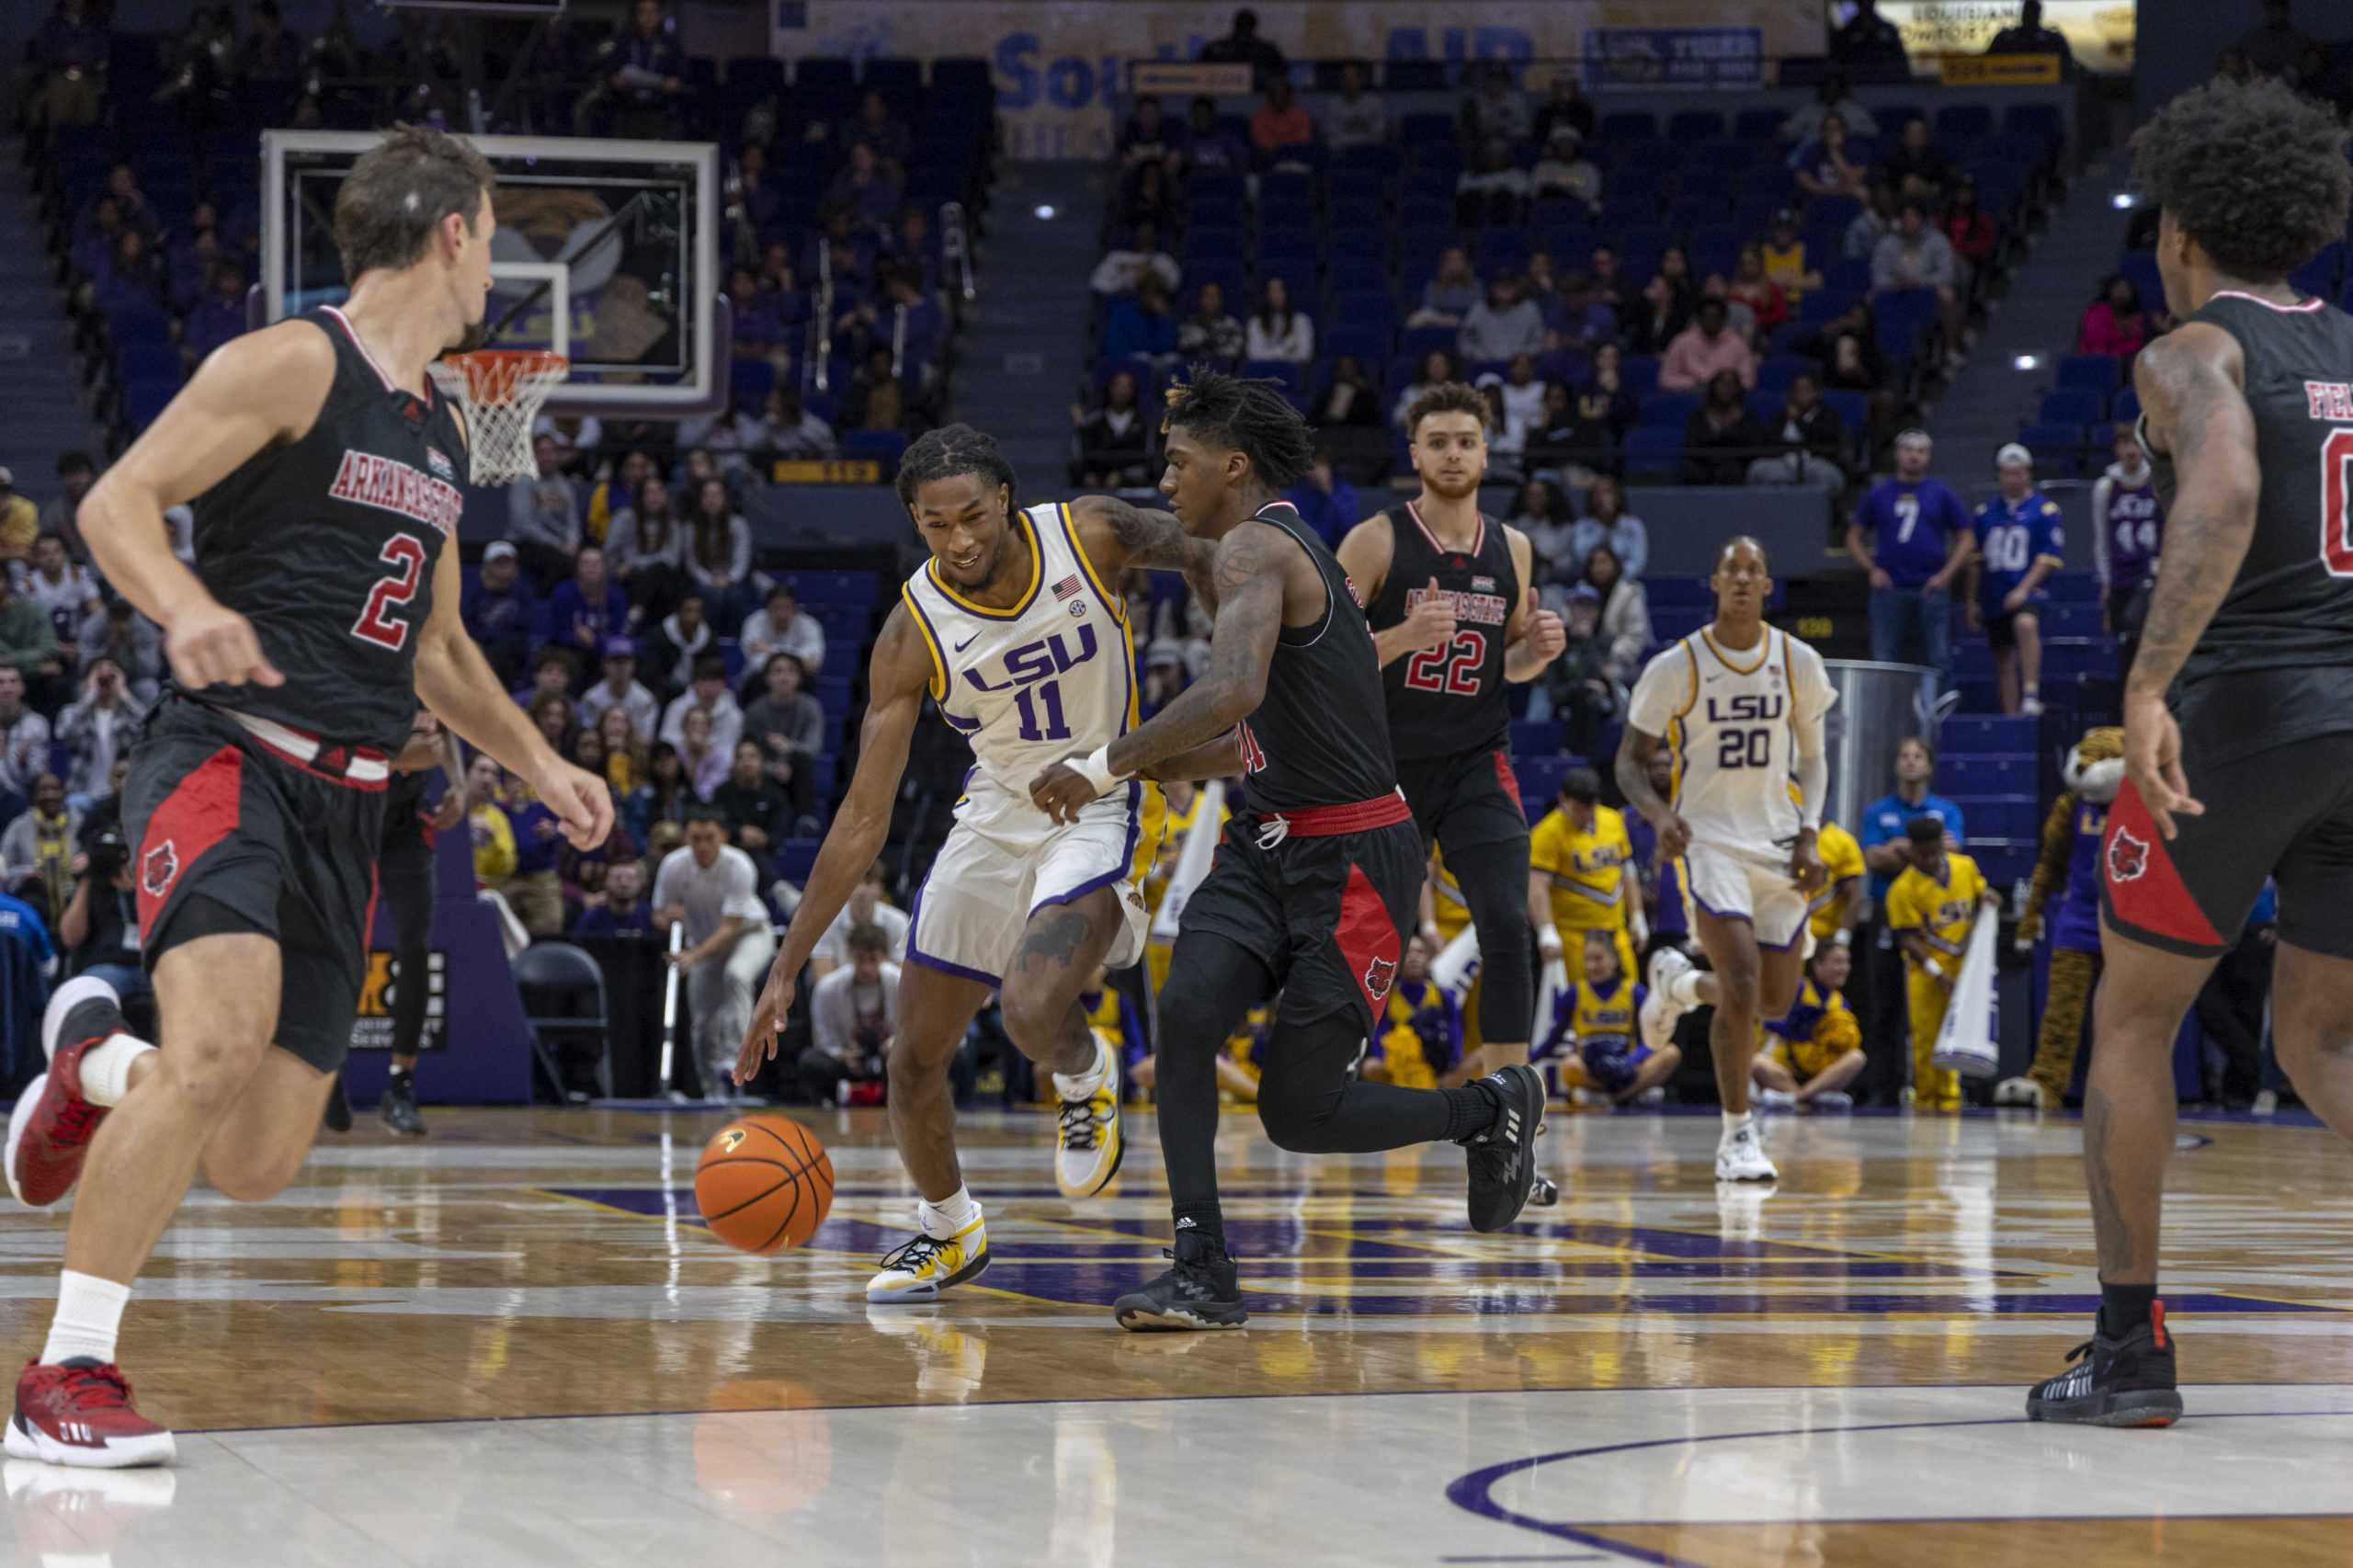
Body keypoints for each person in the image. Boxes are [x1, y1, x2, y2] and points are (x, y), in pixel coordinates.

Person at [1, 126, 612, 1467]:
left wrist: (540, 760)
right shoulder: (292, 361)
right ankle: (66, 1371)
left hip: (355, 802)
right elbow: (118, 501)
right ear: (454, 231)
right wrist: (184, 606)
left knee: (256, 1154)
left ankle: (92, 1067)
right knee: (218, 1044)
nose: (496, 258)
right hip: (226, 752)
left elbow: (440, 650)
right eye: (495, 230)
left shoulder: (447, 420)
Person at [1021, 370, 1547, 1330]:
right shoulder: (1245, 543)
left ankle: (1488, 1108)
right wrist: (1041, 528)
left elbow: (1228, 692)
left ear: (1232, 466)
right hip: (1263, 841)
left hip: (1355, 859)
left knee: (1298, 1112)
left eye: (1179, 461)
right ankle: (1201, 1266)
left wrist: (1103, 761)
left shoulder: (1263, 546)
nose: (1166, 475)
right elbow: (1153, 547)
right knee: (1182, 1017)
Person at [2000, 75, 2353, 1428]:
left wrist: (2150, 681)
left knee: (2132, 1020)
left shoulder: (2194, 352)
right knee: (2322, 1041)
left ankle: (2129, 1347)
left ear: (2184, 233)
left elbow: (2223, 485)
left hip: (2248, 717)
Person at [730, 426, 1225, 1302]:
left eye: (972, 516)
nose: (958, 541)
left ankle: (1085, 1075)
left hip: (1102, 794)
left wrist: (1230, 623)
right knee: (914, 1059)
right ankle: (948, 1230)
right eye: (935, 526)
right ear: (915, 525)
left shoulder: (1093, 534)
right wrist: (788, 965)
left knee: (1033, 1010)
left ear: (1004, 496)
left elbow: (1216, 550)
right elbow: (861, 817)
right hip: (997, 812)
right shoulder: (910, 632)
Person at [1336, 385, 1564, 1168]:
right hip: (1383, 766)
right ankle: (1329, 1076)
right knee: (1367, 935)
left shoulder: (1516, 548)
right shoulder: (1374, 542)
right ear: (1415, 455)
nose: (1455, 454)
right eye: (1439, 442)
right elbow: (1317, 660)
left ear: (1487, 452)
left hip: (1475, 760)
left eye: (1467, 441)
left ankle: (1512, 1115)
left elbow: (1506, 667)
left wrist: (1539, 651)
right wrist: (1403, 634)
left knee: (1507, 921)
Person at [1617, 538, 1838, 1184]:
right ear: (1714, 582)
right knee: (1741, 981)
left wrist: (1811, 834)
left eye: (1754, 571)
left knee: (1770, 1003)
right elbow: (1630, 760)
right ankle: (1738, 1135)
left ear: (1769, 586)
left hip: (1775, 838)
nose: (1742, 579)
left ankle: (1678, 986)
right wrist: (1660, 817)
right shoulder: (1678, 664)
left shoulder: (1798, 662)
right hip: (1708, 838)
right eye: (1732, 570)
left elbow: (1816, 761)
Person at [1998, 725, 2124, 1110]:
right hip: (2078, 920)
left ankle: (2122, 1089)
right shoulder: (2071, 806)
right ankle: (2047, 1083)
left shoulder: (2143, 804)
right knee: (2061, 1011)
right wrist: (2031, 916)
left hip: (2129, 928)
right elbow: (2050, 864)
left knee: (2124, 1017)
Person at [363, 712, 465, 1137]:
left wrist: (458, 784)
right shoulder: (355, 665)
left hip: (406, 822)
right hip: (351, 817)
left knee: (415, 947)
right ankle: (322, 1072)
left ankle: (401, 1084)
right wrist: (401, 757)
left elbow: (452, 728)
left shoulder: (425, 667)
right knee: (340, 945)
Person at [1857, 737, 1965, 1103]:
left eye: (1918, 756)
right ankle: (1883, 1088)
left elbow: (1952, 851)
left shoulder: (1946, 809)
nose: (1910, 762)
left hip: (1934, 920)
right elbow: (1873, 857)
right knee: (1884, 1004)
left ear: (1930, 766)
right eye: (1904, 756)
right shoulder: (1878, 810)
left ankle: (1934, 1087)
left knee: (1931, 1005)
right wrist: (1922, 848)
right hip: (1887, 912)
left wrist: (1900, 848)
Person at [652, 809, 776, 1100]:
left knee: (737, 975)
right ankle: (712, 1090)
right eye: (695, 839)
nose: (702, 846)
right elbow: (658, 914)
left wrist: (693, 957)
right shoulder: (673, 866)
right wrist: (668, 917)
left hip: (750, 934)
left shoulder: (739, 865)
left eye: (709, 838)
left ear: (723, 837)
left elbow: (730, 927)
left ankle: (733, 1057)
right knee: (703, 1022)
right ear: (686, 838)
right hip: (705, 945)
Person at [1847, 429, 1972, 718]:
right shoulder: (1879, 493)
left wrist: (1947, 575)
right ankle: (1886, 713)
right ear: (1897, 453)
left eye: (1920, 451)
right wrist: (1871, 568)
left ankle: (1938, 714)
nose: (1914, 456)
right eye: (1908, 450)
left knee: (1938, 656)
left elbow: (1966, 537)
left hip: (1931, 587)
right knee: (1885, 656)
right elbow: (1853, 536)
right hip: (1889, 588)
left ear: (1928, 457)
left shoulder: (1941, 493)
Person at [1885, 815, 1997, 1115]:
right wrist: (1937, 972)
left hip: (1965, 968)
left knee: (1957, 1036)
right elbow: (1907, 939)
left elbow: (1980, 892)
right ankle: (1925, 1099)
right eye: (1923, 854)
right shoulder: (1902, 889)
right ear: (1912, 851)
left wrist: (1987, 896)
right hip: (1925, 971)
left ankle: (1950, 1101)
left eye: (1936, 852)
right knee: (1926, 1038)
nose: (1931, 859)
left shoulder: (1965, 866)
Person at [1528, 766, 1643, 1000]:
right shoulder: (1547, 833)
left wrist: (1638, 915)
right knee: (1580, 1003)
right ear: (1563, 800)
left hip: (1615, 930)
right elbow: (1536, 886)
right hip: (1575, 935)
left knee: (1629, 998)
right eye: (1580, 809)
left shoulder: (1612, 819)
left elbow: (1627, 870)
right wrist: (1546, 930)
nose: (1587, 815)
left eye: (1591, 808)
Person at [1968, 443, 2065, 716]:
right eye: (2007, 473)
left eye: (2018, 473)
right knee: (2003, 656)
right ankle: (2011, 716)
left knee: (2025, 623)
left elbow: (2047, 557)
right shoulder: (1985, 513)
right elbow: (1977, 561)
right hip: (1994, 591)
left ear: (2028, 474)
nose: (2013, 479)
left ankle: (2031, 693)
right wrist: (1972, 600)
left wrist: (2023, 589)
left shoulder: (2044, 510)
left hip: (2029, 589)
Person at [1540, 929, 1681, 1108]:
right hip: (1591, 1069)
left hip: (1629, 1067)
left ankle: (1617, 1097)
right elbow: (1553, 1038)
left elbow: (1653, 1037)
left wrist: (1630, 1061)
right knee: (1569, 1065)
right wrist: (1527, 1058)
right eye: (1587, 960)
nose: (1592, 966)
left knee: (1671, 1052)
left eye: (1598, 959)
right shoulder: (1574, 993)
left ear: (1614, 959)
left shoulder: (1635, 992)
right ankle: (1624, 1096)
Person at [1752, 939, 1865, 1111]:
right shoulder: (1798, 989)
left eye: (1846, 962)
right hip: (1785, 1066)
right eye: (1837, 962)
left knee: (1856, 1058)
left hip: (1818, 1072)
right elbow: (1770, 1021)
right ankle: (1811, 1098)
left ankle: (1799, 1097)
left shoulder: (1841, 1004)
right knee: (1757, 1062)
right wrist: (1809, 1028)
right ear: (1818, 965)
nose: (1844, 968)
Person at [801, 920, 897, 1105]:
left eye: (873, 960)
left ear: (884, 957)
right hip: (847, 1062)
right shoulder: (827, 988)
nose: (866, 968)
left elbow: (910, 1031)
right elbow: (823, 1039)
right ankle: (833, 1101)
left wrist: (893, 1046)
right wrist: (843, 1056)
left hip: (889, 1064)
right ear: (850, 955)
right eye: (860, 959)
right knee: (810, 1061)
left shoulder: (900, 983)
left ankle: (888, 1099)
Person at [2090, 426, 2165, 663]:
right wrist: (2105, 580)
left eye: (2135, 443)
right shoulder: (2105, 487)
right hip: (2120, 574)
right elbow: (2101, 537)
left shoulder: (2156, 481)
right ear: (2116, 449)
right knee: (2125, 641)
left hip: (2151, 572)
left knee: (2144, 632)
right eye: (2124, 444)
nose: (2131, 450)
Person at [505, 433, 582, 587]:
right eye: (542, 452)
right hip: (526, 543)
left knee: (589, 561)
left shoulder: (564, 484)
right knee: (560, 562)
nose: (547, 457)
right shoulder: (523, 482)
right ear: (533, 456)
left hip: (559, 544)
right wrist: (556, 544)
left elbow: (573, 520)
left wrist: (573, 542)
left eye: (551, 452)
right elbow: (523, 524)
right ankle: (542, 602)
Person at [1746, 373, 1847, 491]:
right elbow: (1769, 443)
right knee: (1757, 470)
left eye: (1806, 390)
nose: (1801, 394)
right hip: (1784, 464)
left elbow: (1823, 441)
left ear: (1816, 393)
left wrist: (1798, 421)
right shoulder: (1781, 417)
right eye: (1797, 390)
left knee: (1821, 473)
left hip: (1815, 463)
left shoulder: (1828, 416)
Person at [460, 540, 535, 688]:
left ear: (515, 567)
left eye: (507, 562)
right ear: (486, 566)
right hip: (476, 645)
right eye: (498, 562)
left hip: (510, 650)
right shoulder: (471, 591)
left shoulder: (523, 592)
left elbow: (523, 625)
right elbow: (465, 622)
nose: (503, 567)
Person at [1682, 370, 1764, 486]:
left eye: (1731, 385)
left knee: (1732, 471)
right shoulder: (1698, 416)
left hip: (1736, 465)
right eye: (1722, 384)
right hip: (1704, 464)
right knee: (1690, 471)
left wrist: (1727, 432)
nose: (1726, 389)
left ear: (1738, 389)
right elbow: (1691, 445)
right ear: (1713, 387)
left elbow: (1753, 447)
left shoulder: (1748, 417)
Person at [574, 635, 660, 746]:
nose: (620, 667)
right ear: (605, 665)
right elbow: (588, 736)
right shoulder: (591, 699)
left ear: (633, 665)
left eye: (625, 661)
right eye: (615, 661)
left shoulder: (646, 700)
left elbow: (646, 739)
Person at [1658, 299, 1756, 393]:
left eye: (1715, 317)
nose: (1711, 321)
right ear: (1698, 319)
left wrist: (1726, 387)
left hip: (1728, 400)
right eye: (1707, 316)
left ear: (1724, 319)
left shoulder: (1737, 344)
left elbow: (1748, 381)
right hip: (1689, 397)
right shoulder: (1681, 342)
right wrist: (1695, 383)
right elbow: (1666, 378)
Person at [1199, 6, 1285, 86]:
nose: (1244, 29)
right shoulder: (1217, 49)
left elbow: (1281, 70)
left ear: (1253, 26)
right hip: (1223, 89)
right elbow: (1199, 70)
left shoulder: (1267, 50)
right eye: (1242, 25)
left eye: (1247, 25)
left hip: (1257, 90)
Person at [1987, 0, 2077, 73]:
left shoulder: (2054, 40)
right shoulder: (2004, 39)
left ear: (2038, 14)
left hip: (2046, 89)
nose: (2029, 15)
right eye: (2027, 11)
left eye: (2033, 12)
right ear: (2022, 13)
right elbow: (1985, 65)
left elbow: (2068, 67)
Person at [2078, 275, 2151, 359]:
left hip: (2126, 364)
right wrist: (2120, 332)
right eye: (2118, 288)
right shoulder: (2097, 312)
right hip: (2093, 363)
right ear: (2110, 291)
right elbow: (2096, 345)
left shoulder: (2139, 319)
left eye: (2126, 288)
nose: (2122, 291)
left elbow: (2136, 347)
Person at [1176, 282, 1245, 370]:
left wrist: (1211, 350)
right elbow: (1183, 344)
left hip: (1224, 372)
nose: (1211, 300)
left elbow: (1237, 350)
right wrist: (1211, 343)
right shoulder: (1190, 324)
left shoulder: (1231, 324)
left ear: (1220, 300)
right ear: (1200, 300)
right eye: (1207, 296)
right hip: (1196, 371)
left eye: (1215, 296)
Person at [1829, 0, 1908, 75]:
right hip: (1857, 84)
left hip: (1886, 84)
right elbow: (1840, 65)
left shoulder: (1888, 29)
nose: (1866, 2)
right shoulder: (1847, 32)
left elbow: (1901, 63)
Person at [1245, 278, 1313, 365]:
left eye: (1280, 291)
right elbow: (1254, 354)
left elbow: (1305, 354)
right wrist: (1285, 350)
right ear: (1266, 295)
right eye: (1272, 291)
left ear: (1287, 293)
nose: (1276, 296)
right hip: (1264, 373)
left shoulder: (1301, 321)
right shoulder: (1255, 322)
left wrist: (1269, 353)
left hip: (1292, 373)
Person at [1325, 61, 1387, 153]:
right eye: (1346, 79)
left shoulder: (1375, 102)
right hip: (1343, 154)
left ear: (1361, 80)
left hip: (1370, 152)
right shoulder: (1332, 104)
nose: (1349, 83)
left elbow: (1379, 134)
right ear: (1341, 82)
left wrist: (1360, 142)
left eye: (1352, 78)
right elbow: (1331, 136)